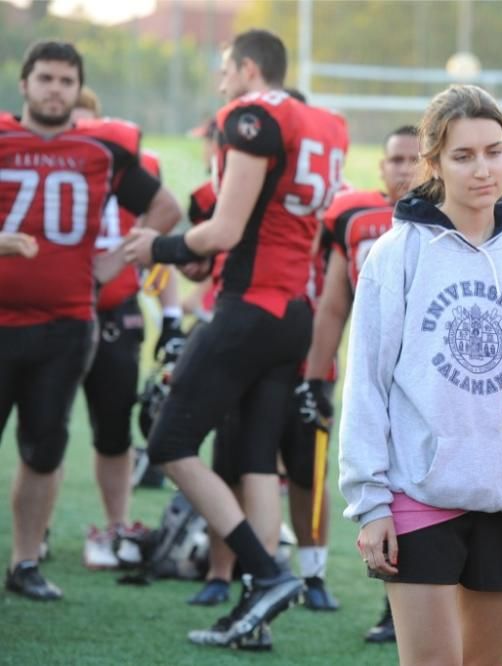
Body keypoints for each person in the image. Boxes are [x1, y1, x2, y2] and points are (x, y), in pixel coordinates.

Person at [121, 29, 348, 649]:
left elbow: (223, 231)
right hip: (292, 312)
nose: (221, 82)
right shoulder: (324, 121)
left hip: (250, 306)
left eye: (225, 70)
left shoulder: (251, 117)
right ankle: (258, 605)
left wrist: (159, 247)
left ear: (248, 68)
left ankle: (267, 572)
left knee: (169, 440)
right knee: (254, 460)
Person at [339, 84, 502, 666]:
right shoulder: (397, 252)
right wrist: (371, 502)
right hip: (421, 493)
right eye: (463, 156)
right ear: (433, 164)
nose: (483, 169)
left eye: (493, 151)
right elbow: (366, 382)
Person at [1, 40, 181, 601]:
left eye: (66, 81)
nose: (56, 89)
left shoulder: (102, 147)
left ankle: (25, 563)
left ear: (79, 90)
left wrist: (115, 261)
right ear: (25, 84)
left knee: (44, 448)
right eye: (46, 78)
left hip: (65, 324)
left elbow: (166, 208)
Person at [301, 123, 420, 640]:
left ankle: (413, 605)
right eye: (396, 159)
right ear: (381, 166)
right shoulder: (353, 216)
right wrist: (315, 376)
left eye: (415, 158)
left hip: (431, 384)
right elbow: (332, 305)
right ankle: (397, 604)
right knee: (381, 489)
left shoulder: (459, 219)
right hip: (374, 377)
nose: (406, 169)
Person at [69, 87, 186, 570]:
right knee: (42, 431)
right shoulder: (28, 161)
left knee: (113, 430)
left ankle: (115, 525)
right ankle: (30, 542)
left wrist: (172, 314)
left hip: (116, 312)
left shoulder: (129, 170)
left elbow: (156, 242)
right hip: (48, 312)